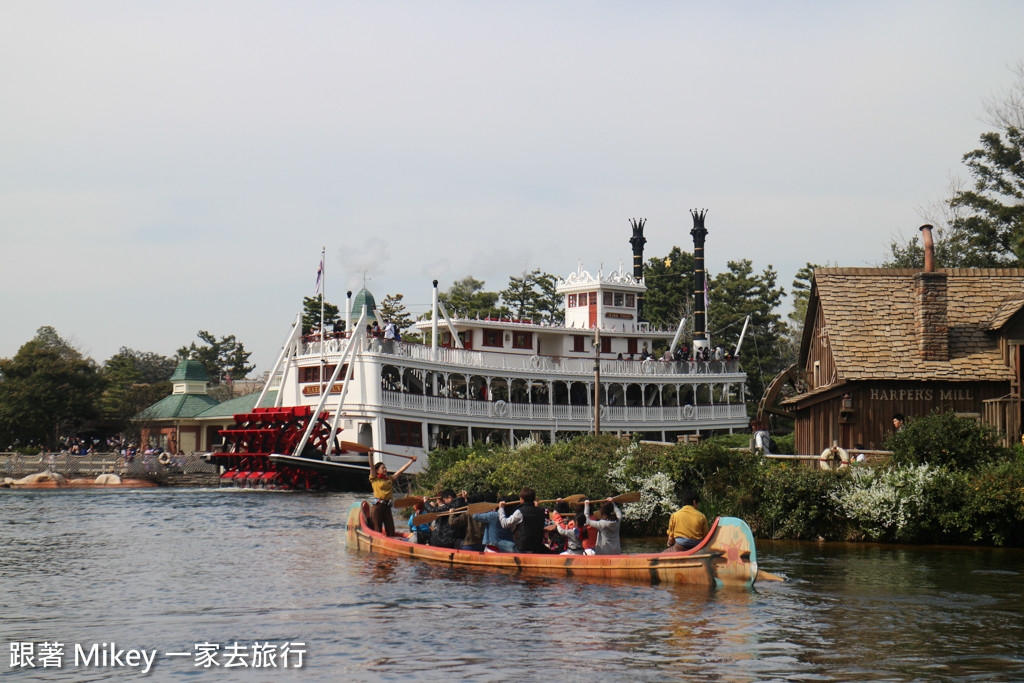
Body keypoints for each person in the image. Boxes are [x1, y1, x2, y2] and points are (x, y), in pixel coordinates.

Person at [367, 456, 417, 537]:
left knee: (390, 529)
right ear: (377, 471)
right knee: (377, 530)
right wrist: (370, 454)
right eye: (382, 468)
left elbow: (401, 470)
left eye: (385, 468)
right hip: (377, 506)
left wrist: (411, 461)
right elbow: (371, 466)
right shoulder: (374, 479)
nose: (385, 470)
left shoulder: (389, 479)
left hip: (387, 506)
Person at [499, 487, 547, 553]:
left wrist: (501, 508)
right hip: (536, 548)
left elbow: (504, 524)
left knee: (497, 542)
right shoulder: (541, 511)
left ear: (521, 499)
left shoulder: (520, 512)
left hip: (521, 549)